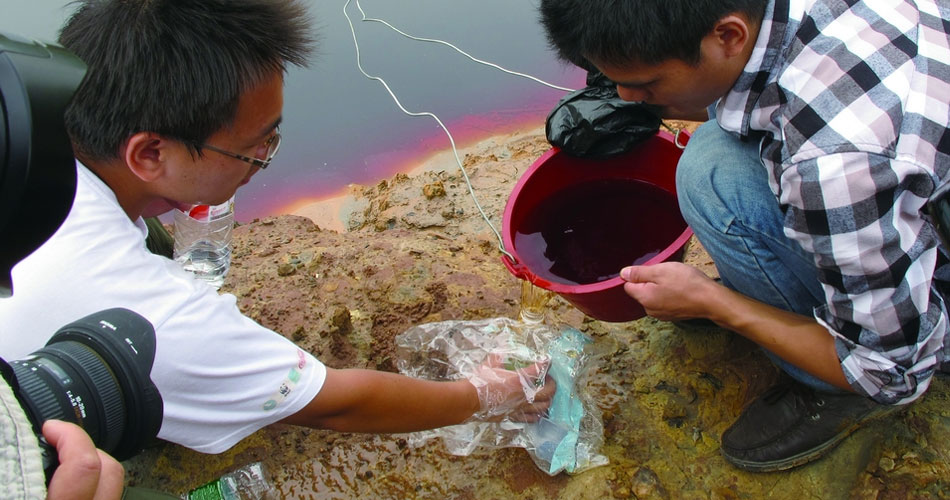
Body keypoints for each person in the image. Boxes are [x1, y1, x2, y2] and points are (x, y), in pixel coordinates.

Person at [0, 0, 554, 465]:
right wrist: (483, 394)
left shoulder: (22, 148)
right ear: (149, 154)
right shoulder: (155, 322)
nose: (263, 160)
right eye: (255, 148)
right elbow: (338, 403)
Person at [538, 0, 949, 472]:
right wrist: (653, 95)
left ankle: (836, 389)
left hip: (911, 322)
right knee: (717, 143)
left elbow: (894, 372)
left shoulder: (834, 169)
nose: (625, 97)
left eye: (646, 83)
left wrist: (716, 303)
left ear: (729, 36)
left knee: (711, 174)